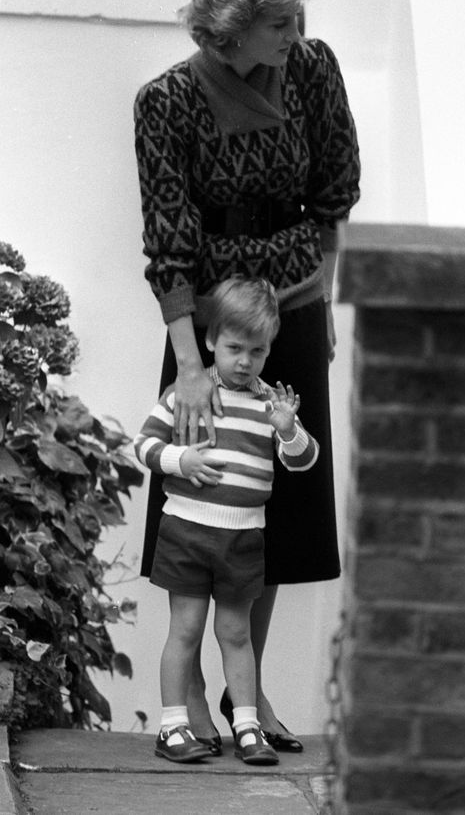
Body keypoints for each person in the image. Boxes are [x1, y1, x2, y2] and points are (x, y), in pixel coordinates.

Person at [133, 0, 360, 751]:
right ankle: (192, 690)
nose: (296, 32)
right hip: (214, 327)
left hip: (289, 310)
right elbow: (166, 236)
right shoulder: (166, 100)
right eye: (279, 22)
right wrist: (189, 366)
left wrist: (321, 297)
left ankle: (247, 694)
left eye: (299, 17)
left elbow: (334, 187)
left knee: (273, 513)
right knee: (201, 497)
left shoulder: (312, 67)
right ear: (229, 31)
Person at [134, 277, 319, 764]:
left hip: (243, 536)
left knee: (237, 633)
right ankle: (172, 726)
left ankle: (248, 725)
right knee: (187, 628)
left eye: (257, 352)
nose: (244, 361)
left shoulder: (269, 405)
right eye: (234, 348)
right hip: (187, 532)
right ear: (211, 340)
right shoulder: (187, 393)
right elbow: (143, 445)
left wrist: (288, 430)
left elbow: (303, 462)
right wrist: (180, 461)